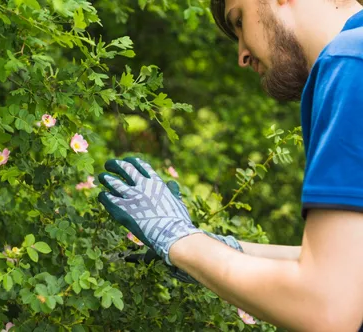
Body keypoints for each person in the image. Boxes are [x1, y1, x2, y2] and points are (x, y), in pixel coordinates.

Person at [98, 0, 363, 330]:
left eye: (238, 21)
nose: (242, 55)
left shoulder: (350, 62)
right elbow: (349, 270)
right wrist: (219, 248)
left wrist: (179, 240)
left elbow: (327, 307)